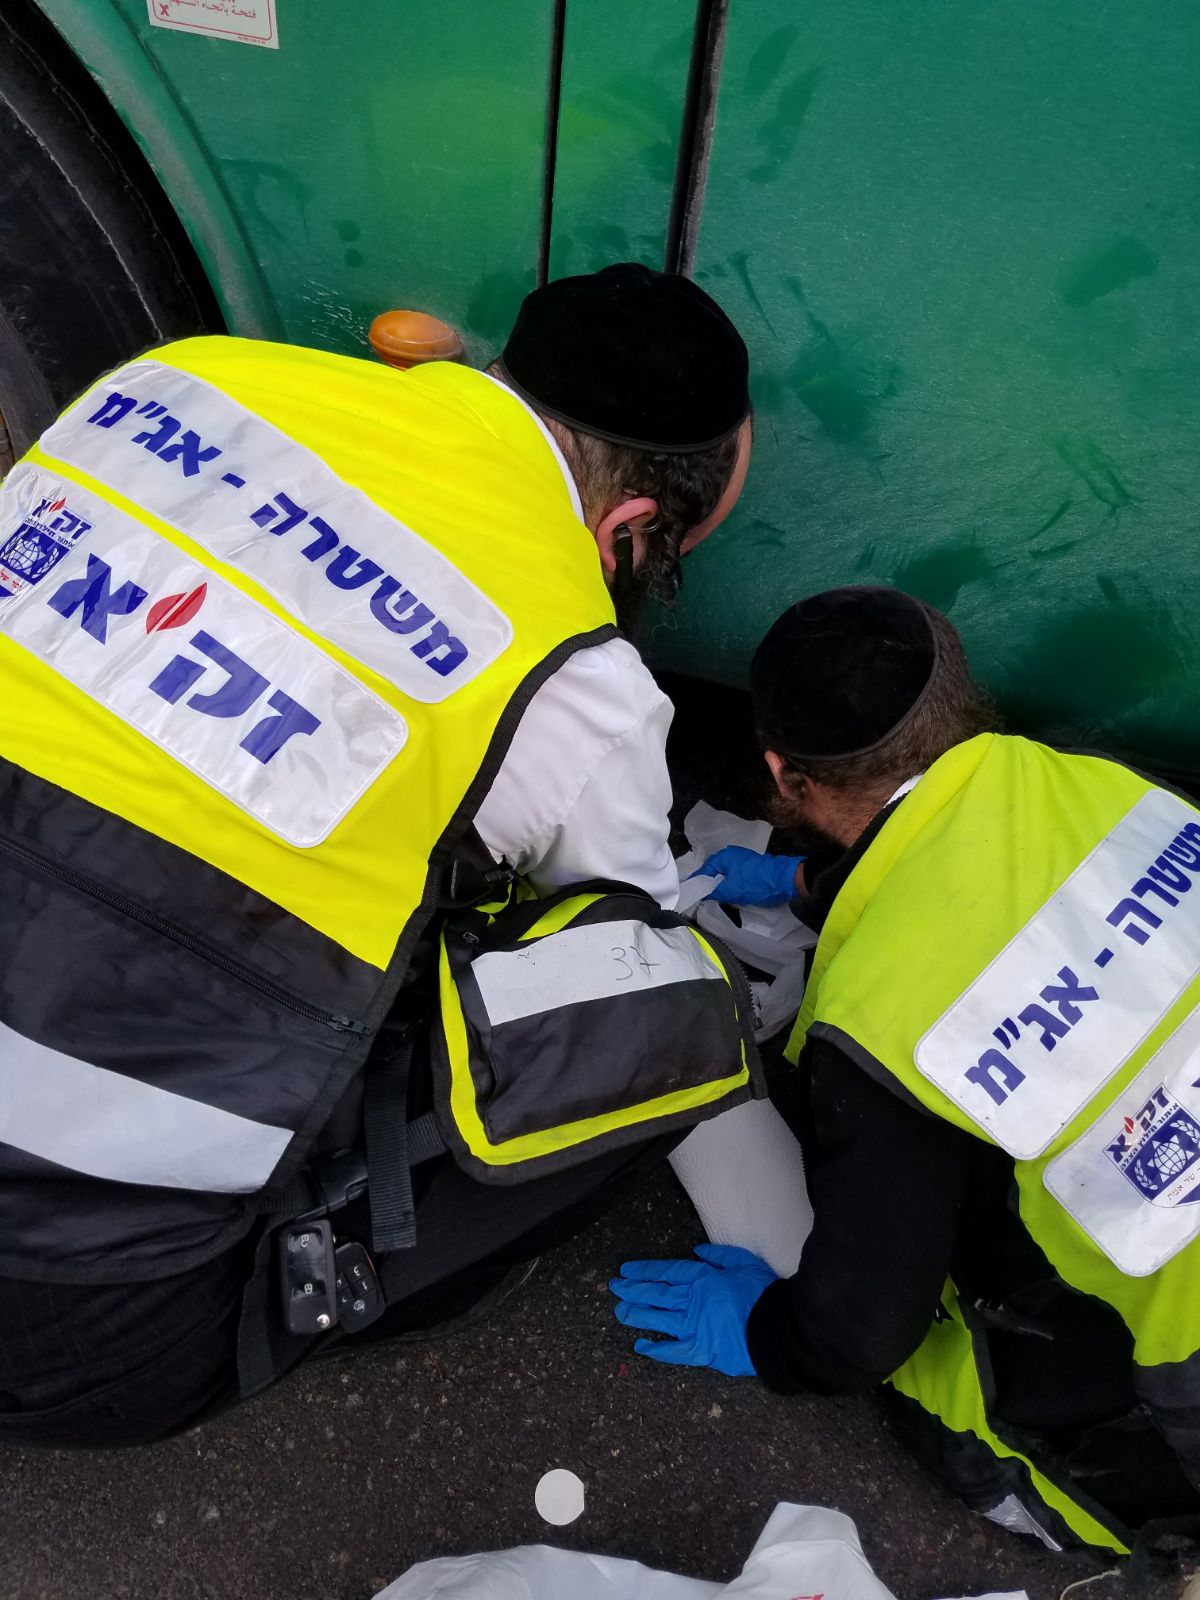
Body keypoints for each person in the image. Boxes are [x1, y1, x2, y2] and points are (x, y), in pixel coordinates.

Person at [0, 263, 755, 1448]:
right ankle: (327, 1282)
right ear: (630, 527)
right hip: (67, 1324)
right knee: (668, 1020)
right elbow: (625, 953)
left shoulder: (177, 378)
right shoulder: (580, 676)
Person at [610, 586, 1200, 1558]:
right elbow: (1029, 891)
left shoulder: (880, 1024)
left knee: (969, 1418)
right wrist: (814, 890)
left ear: (781, 775)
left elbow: (861, 1331)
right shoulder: (1118, 792)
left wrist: (764, 1333)